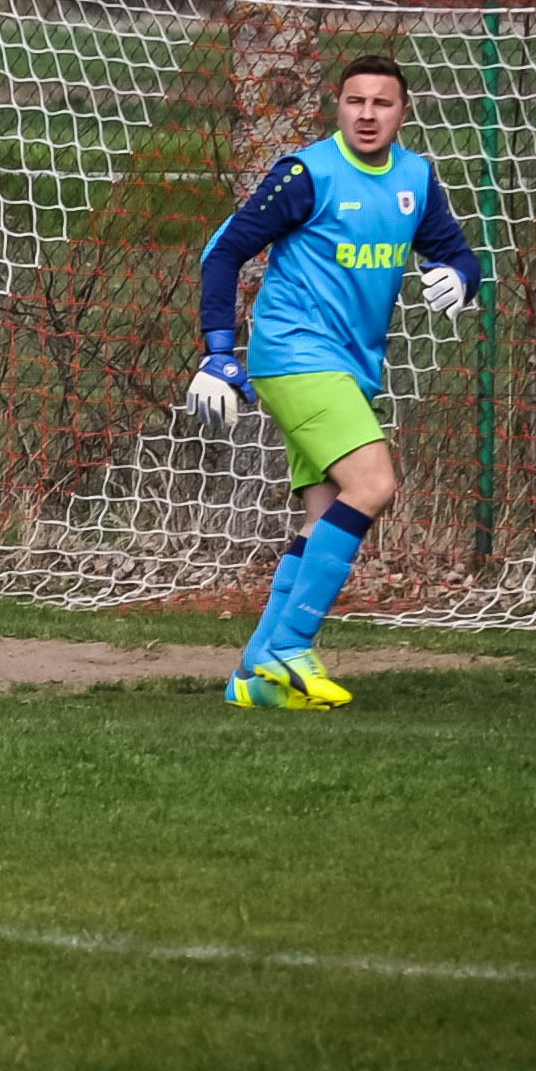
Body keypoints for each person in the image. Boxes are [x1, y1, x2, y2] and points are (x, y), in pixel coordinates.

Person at [183, 53, 483, 711]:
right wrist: (218, 352)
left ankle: (255, 677)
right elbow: (225, 249)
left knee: (327, 515)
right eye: (355, 101)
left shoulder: (414, 178)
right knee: (373, 484)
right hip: (294, 355)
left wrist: (463, 276)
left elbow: (456, 252)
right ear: (337, 108)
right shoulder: (308, 173)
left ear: (403, 112)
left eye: (382, 102)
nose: (368, 113)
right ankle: (288, 646)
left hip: (350, 368)